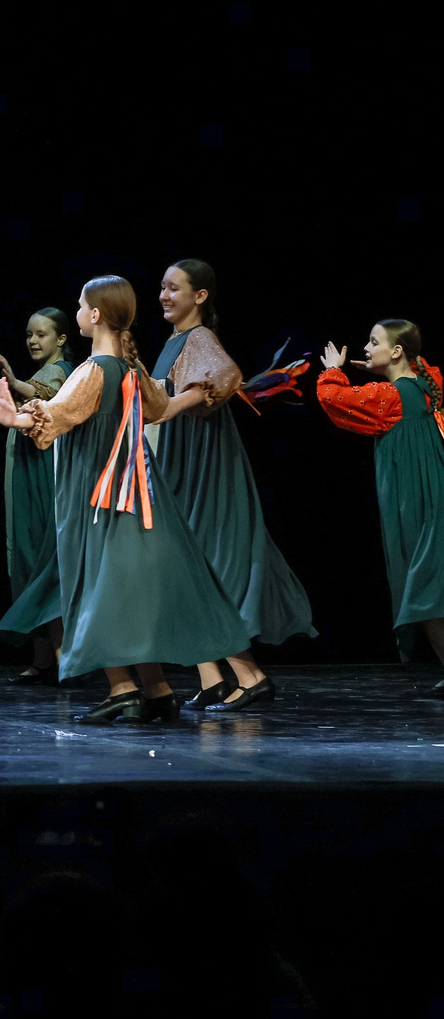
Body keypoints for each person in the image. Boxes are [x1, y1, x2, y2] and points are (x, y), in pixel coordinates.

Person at [0, 276, 251, 724]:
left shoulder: (92, 371)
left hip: (95, 491)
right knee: (117, 587)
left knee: (95, 585)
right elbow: (159, 408)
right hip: (131, 490)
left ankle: (123, 688)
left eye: (80, 306)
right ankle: (157, 689)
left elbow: (58, 414)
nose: (77, 312)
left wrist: (17, 420)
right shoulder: (131, 370)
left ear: (95, 315)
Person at [148, 260, 315, 711]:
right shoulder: (175, 340)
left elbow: (224, 376)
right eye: (162, 287)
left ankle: (250, 675)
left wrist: (173, 406)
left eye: (174, 288)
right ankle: (212, 678)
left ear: (200, 296)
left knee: (200, 563)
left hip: (202, 459)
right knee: (182, 565)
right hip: (181, 454)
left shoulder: (200, 337)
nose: (164, 295)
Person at [315, 319, 444, 695]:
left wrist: (333, 370)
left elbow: (335, 400)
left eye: (374, 342)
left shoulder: (391, 395)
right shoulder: (425, 383)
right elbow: (424, 367)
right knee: (425, 587)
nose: (366, 348)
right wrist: (384, 367)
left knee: (422, 587)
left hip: (415, 498)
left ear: (398, 351)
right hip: (426, 491)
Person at [0, 309, 73, 683]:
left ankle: (64, 658)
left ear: (61, 339)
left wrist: (16, 383)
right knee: (27, 558)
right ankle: (43, 659)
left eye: (42, 334)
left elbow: (47, 393)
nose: (33, 340)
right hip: (27, 474)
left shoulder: (63, 371)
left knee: (43, 559)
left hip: (43, 477)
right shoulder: (44, 371)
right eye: (29, 334)